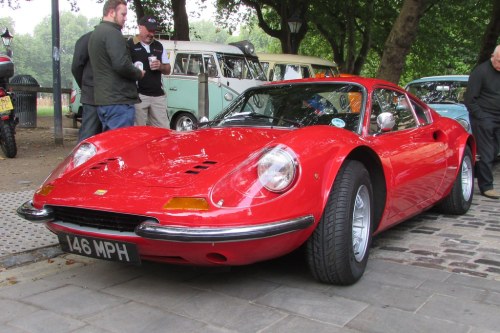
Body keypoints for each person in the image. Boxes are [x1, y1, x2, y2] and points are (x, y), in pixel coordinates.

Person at [88, 0, 145, 131]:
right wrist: (138, 73)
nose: (125, 18)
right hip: (118, 100)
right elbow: (121, 64)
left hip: (104, 100)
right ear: (111, 12)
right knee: (121, 145)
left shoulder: (96, 33)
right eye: (123, 14)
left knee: (110, 144)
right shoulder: (113, 33)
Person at [464, 45, 500, 199]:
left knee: (493, 151)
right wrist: (482, 117)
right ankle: (487, 186)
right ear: (493, 56)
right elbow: (470, 99)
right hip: (484, 117)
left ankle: (476, 173)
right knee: (486, 152)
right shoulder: (480, 72)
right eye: (499, 61)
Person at [128, 15, 171, 127]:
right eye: (149, 30)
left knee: (164, 132)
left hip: (158, 95)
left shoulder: (159, 46)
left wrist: (160, 66)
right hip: (138, 96)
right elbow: (123, 68)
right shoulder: (130, 45)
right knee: (139, 132)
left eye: (153, 31)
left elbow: (168, 70)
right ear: (140, 27)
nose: (151, 34)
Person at [71, 31, 101, 142]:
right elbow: (76, 67)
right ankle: (82, 159)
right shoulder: (87, 39)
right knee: (88, 134)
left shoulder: (116, 37)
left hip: (111, 98)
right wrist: (86, 86)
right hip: (92, 96)